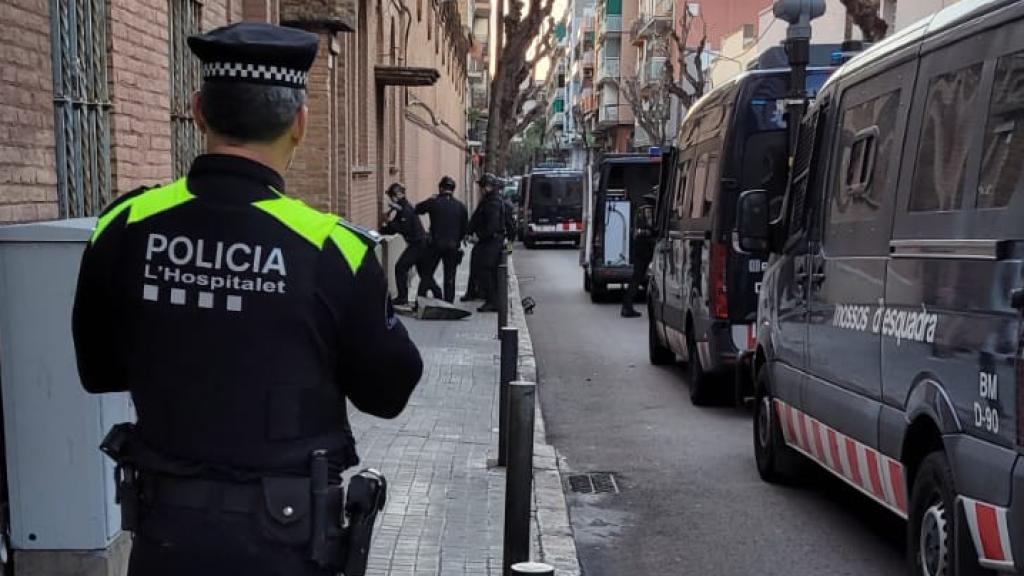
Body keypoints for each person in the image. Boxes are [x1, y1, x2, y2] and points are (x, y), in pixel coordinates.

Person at [71, 22, 423, 576]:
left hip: (166, 539)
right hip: (287, 542)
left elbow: (99, 371)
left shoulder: (123, 225)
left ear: (197, 112)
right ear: (300, 124)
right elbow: (389, 392)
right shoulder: (334, 249)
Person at [382, 182, 438, 305]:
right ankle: (438, 294)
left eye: (391, 196)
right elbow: (394, 228)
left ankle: (402, 298)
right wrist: (383, 229)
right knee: (424, 274)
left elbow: (403, 228)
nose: (390, 200)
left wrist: (389, 222)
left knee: (401, 267)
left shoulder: (405, 209)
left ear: (397, 196)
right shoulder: (402, 208)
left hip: (418, 245)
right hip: (420, 244)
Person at [415, 176, 468, 303]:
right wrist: (457, 240)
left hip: (435, 245)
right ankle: (448, 304)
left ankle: (420, 301)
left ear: (440, 188)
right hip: (453, 245)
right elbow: (464, 229)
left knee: (427, 274)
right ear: (453, 190)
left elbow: (418, 209)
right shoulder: (461, 207)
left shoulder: (434, 202)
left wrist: (431, 199)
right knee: (450, 276)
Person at [468, 174, 506, 313]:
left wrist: (479, 237)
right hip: (488, 241)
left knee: (487, 269)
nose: (480, 189)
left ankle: (492, 301)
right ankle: (487, 297)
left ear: (488, 187)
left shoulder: (493, 202)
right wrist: (469, 231)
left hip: (492, 242)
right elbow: (477, 217)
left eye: (482, 187)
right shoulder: (488, 200)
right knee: (482, 268)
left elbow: (492, 226)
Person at [621, 191, 659, 318]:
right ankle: (629, 306)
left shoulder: (640, 210)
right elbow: (654, 228)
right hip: (647, 244)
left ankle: (627, 305)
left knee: (637, 277)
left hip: (639, 244)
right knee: (649, 275)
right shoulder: (653, 211)